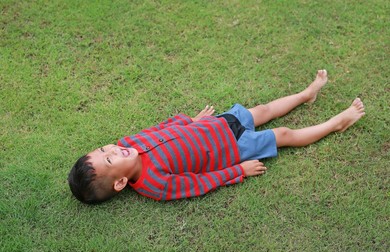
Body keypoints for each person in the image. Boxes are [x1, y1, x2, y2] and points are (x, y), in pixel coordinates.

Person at [68, 70, 365, 204]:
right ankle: (335, 124)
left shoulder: (130, 143)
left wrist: (190, 120)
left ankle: (306, 94)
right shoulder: (154, 185)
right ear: (120, 183)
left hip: (217, 124)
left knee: (263, 109)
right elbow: (198, 184)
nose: (114, 148)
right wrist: (238, 171)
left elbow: (160, 129)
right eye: (109, 158)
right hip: (234, 149)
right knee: (284, 134)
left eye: (105, 147)